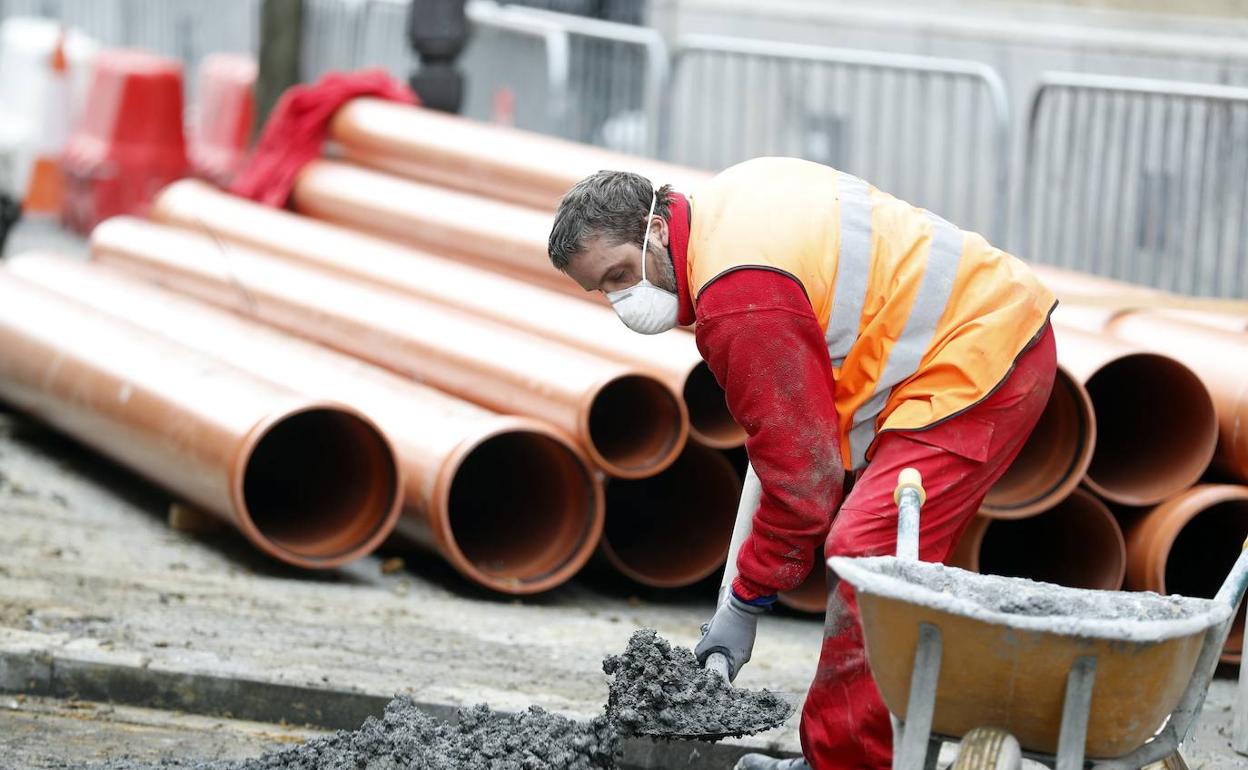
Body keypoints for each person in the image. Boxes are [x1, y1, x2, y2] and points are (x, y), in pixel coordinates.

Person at [547, 157, 1056, 770]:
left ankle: (848, 764)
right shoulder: (720, 215)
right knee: (880, 560)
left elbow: (804, 482)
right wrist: (738, 600)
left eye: (621, 274)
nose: (622, 299)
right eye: (603, 290)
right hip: (971, 336)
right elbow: (781, 444)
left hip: (983, 356)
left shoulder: (738, 297)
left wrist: (746, 599)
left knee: (869, 555)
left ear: (655, 229)